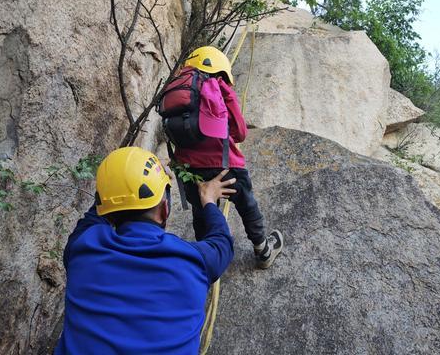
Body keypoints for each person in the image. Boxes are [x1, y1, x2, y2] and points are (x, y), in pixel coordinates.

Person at [54, 146, 237, 354]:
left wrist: (121, 182)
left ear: (109, 213)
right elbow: (222, 241)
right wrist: (209, 199)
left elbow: (96, 212)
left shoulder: (82, 249)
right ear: (165, 209)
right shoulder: (194, 261)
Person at [175, 46, 283, 269]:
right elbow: (241, 132)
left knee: (202, 209)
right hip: (224, 166)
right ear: (221, 70)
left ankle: (206, 256)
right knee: (246, 203)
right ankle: (263, 250)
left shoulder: (179, 87)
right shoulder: (221, 87)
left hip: (187, 168)